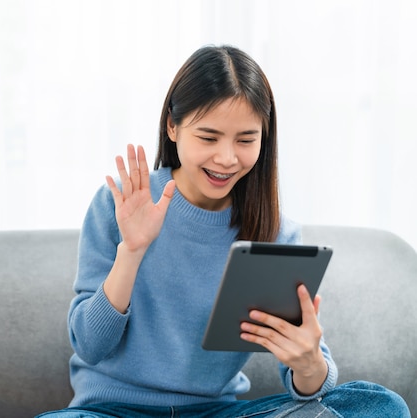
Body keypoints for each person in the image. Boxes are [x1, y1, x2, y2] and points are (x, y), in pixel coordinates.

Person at [37, 45, 410, 417]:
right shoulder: (121, 203)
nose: (227, 158)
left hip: (218, 413)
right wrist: (131, 252)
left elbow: (311, 387)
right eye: (209, 137)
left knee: (380, 406)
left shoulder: (274, 231)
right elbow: (89, 345)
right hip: (111, 412)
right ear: (172, 126)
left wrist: (309, 362)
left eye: (246, 140)